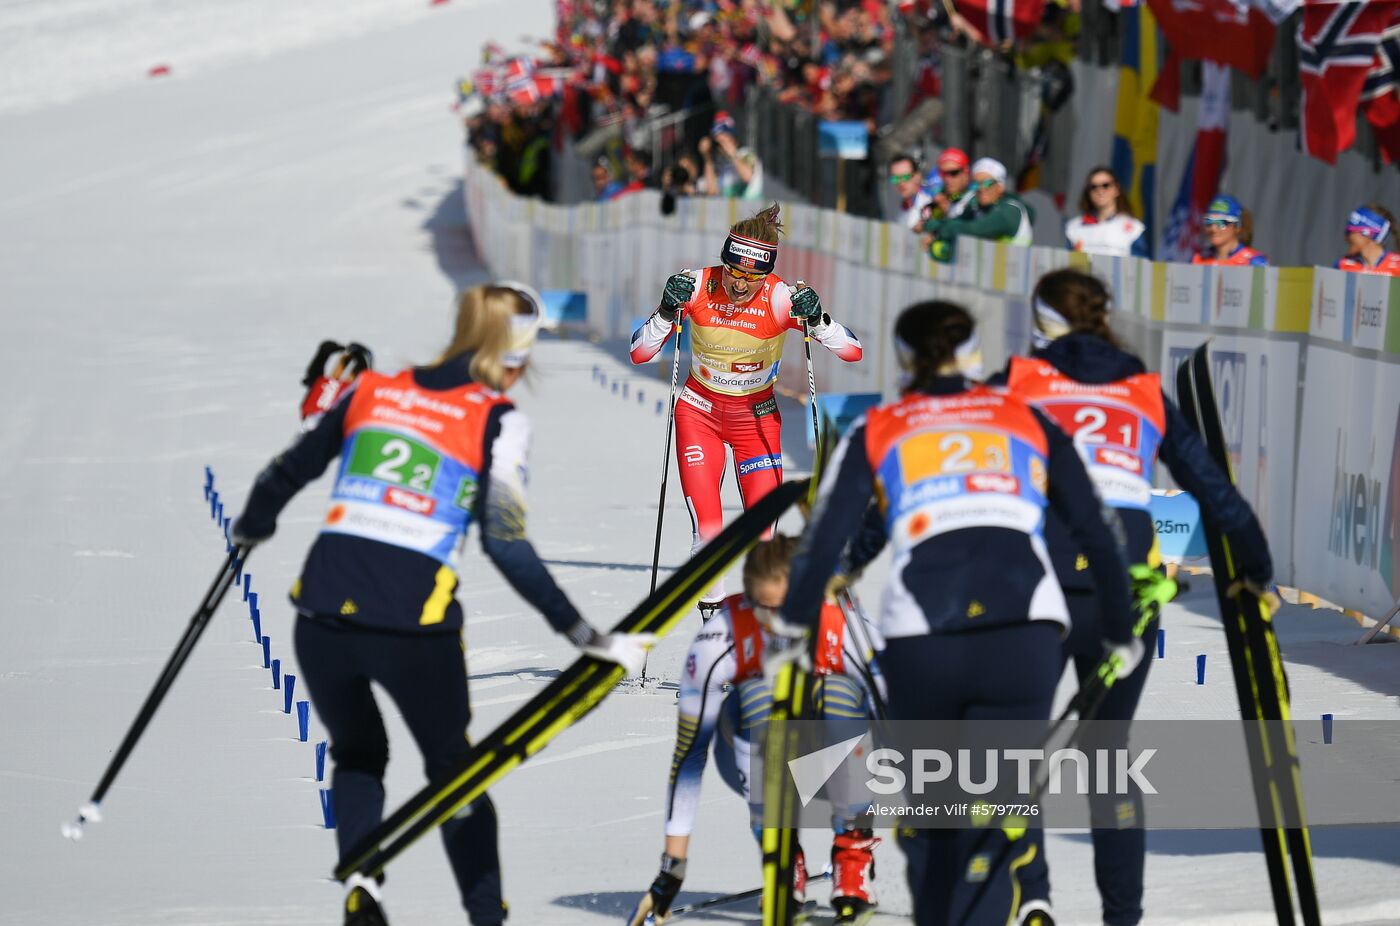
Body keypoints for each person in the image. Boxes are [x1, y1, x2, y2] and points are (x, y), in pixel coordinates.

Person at [230, 283, 657, 926]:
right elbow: (506, 543)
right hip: (412, 627)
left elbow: (286, 471)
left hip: (318, 615)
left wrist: (252, 526)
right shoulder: (497, 421)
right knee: (456, 774)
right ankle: (486, 917)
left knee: (358, 754)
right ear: (515, 354)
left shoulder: (370, 390)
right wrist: (579, 631)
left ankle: (362, 886)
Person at [778, 300, 1138, 926]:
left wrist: (791, 627)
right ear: (973, 353)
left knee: (932, 819)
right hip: (1022, 638)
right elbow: (1098, 530)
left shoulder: (882, 425)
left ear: (905, 358)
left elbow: (824, 543)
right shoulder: (1023, 417)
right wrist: (1120, 630)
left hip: (926, 641)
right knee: (993, 822)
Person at [1000, 268, 1274, 926]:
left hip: (1038, 575)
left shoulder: (1017, 379)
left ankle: (1031, 892)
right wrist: (1254, 572)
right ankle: (1122, 918)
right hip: (1124, 581)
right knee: (1106, 754)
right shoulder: (1144, 390)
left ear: (1041, 322)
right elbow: (1217, 494)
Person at [628, 535, 885, 926]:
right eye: (763, 610)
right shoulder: (721, 635)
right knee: (758, 694)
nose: (775, 624)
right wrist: (671, 868)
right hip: (750, 756)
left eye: (786, 610)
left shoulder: (842, 622)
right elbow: (690, 753)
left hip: (837, 756)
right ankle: (782, 859)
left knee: (838, 694)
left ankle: (853, 860)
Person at [629, 203, 863, 614]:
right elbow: (640, 353)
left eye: (753, 276)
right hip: (699, 411)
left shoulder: (780, 298)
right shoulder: (697, 285)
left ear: (767, 273)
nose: (740, 284)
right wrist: (667, 311)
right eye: (734, 271)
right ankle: (714, 643)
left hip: (755, 418)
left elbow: (852, 351)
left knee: (763, 538)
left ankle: (760, 632)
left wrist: (818, 320)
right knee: (710, 532)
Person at [923, 157, 1035, 262]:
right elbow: (953, 221)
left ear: (1000, 187)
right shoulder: (979, 208)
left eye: (987, 183)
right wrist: (934, 228)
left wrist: (939, 229)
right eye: (976, 184)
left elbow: (973, 229)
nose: (981, 189)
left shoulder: (1010, 210)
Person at [1064, 166, 1149, 258]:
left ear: (1116, 189)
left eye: (1105, 185)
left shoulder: (1133, 228)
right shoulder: (1074, 227)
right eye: (1093, 187)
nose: (1100, 191)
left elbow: (1140, 265)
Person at [702, 110, 764, 200]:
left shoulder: (747, 154)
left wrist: (733, 154)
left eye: (722, 141)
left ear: (731, 137)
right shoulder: (723, 164)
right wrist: (707, 157)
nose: (719, 147)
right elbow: (712, 190)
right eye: (717, 142)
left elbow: (747, 176)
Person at [1192, 195, 1267, 266]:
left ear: (1237, 226)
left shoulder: (1254, 261)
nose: (1213, 228)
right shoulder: (1199, 259)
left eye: (1221, 222)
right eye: (1209, 221)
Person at [1336, 204, 1400, 275]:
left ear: (1368, 233)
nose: (1345, 237)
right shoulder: (1342, 264)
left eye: (1349, 231)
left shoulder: (1398, 266)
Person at [889, 152, 935, 232]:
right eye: (895, 178)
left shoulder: (929, 204)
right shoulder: (897, 208)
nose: (900, 183)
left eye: (905, 177)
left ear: (917, 176)